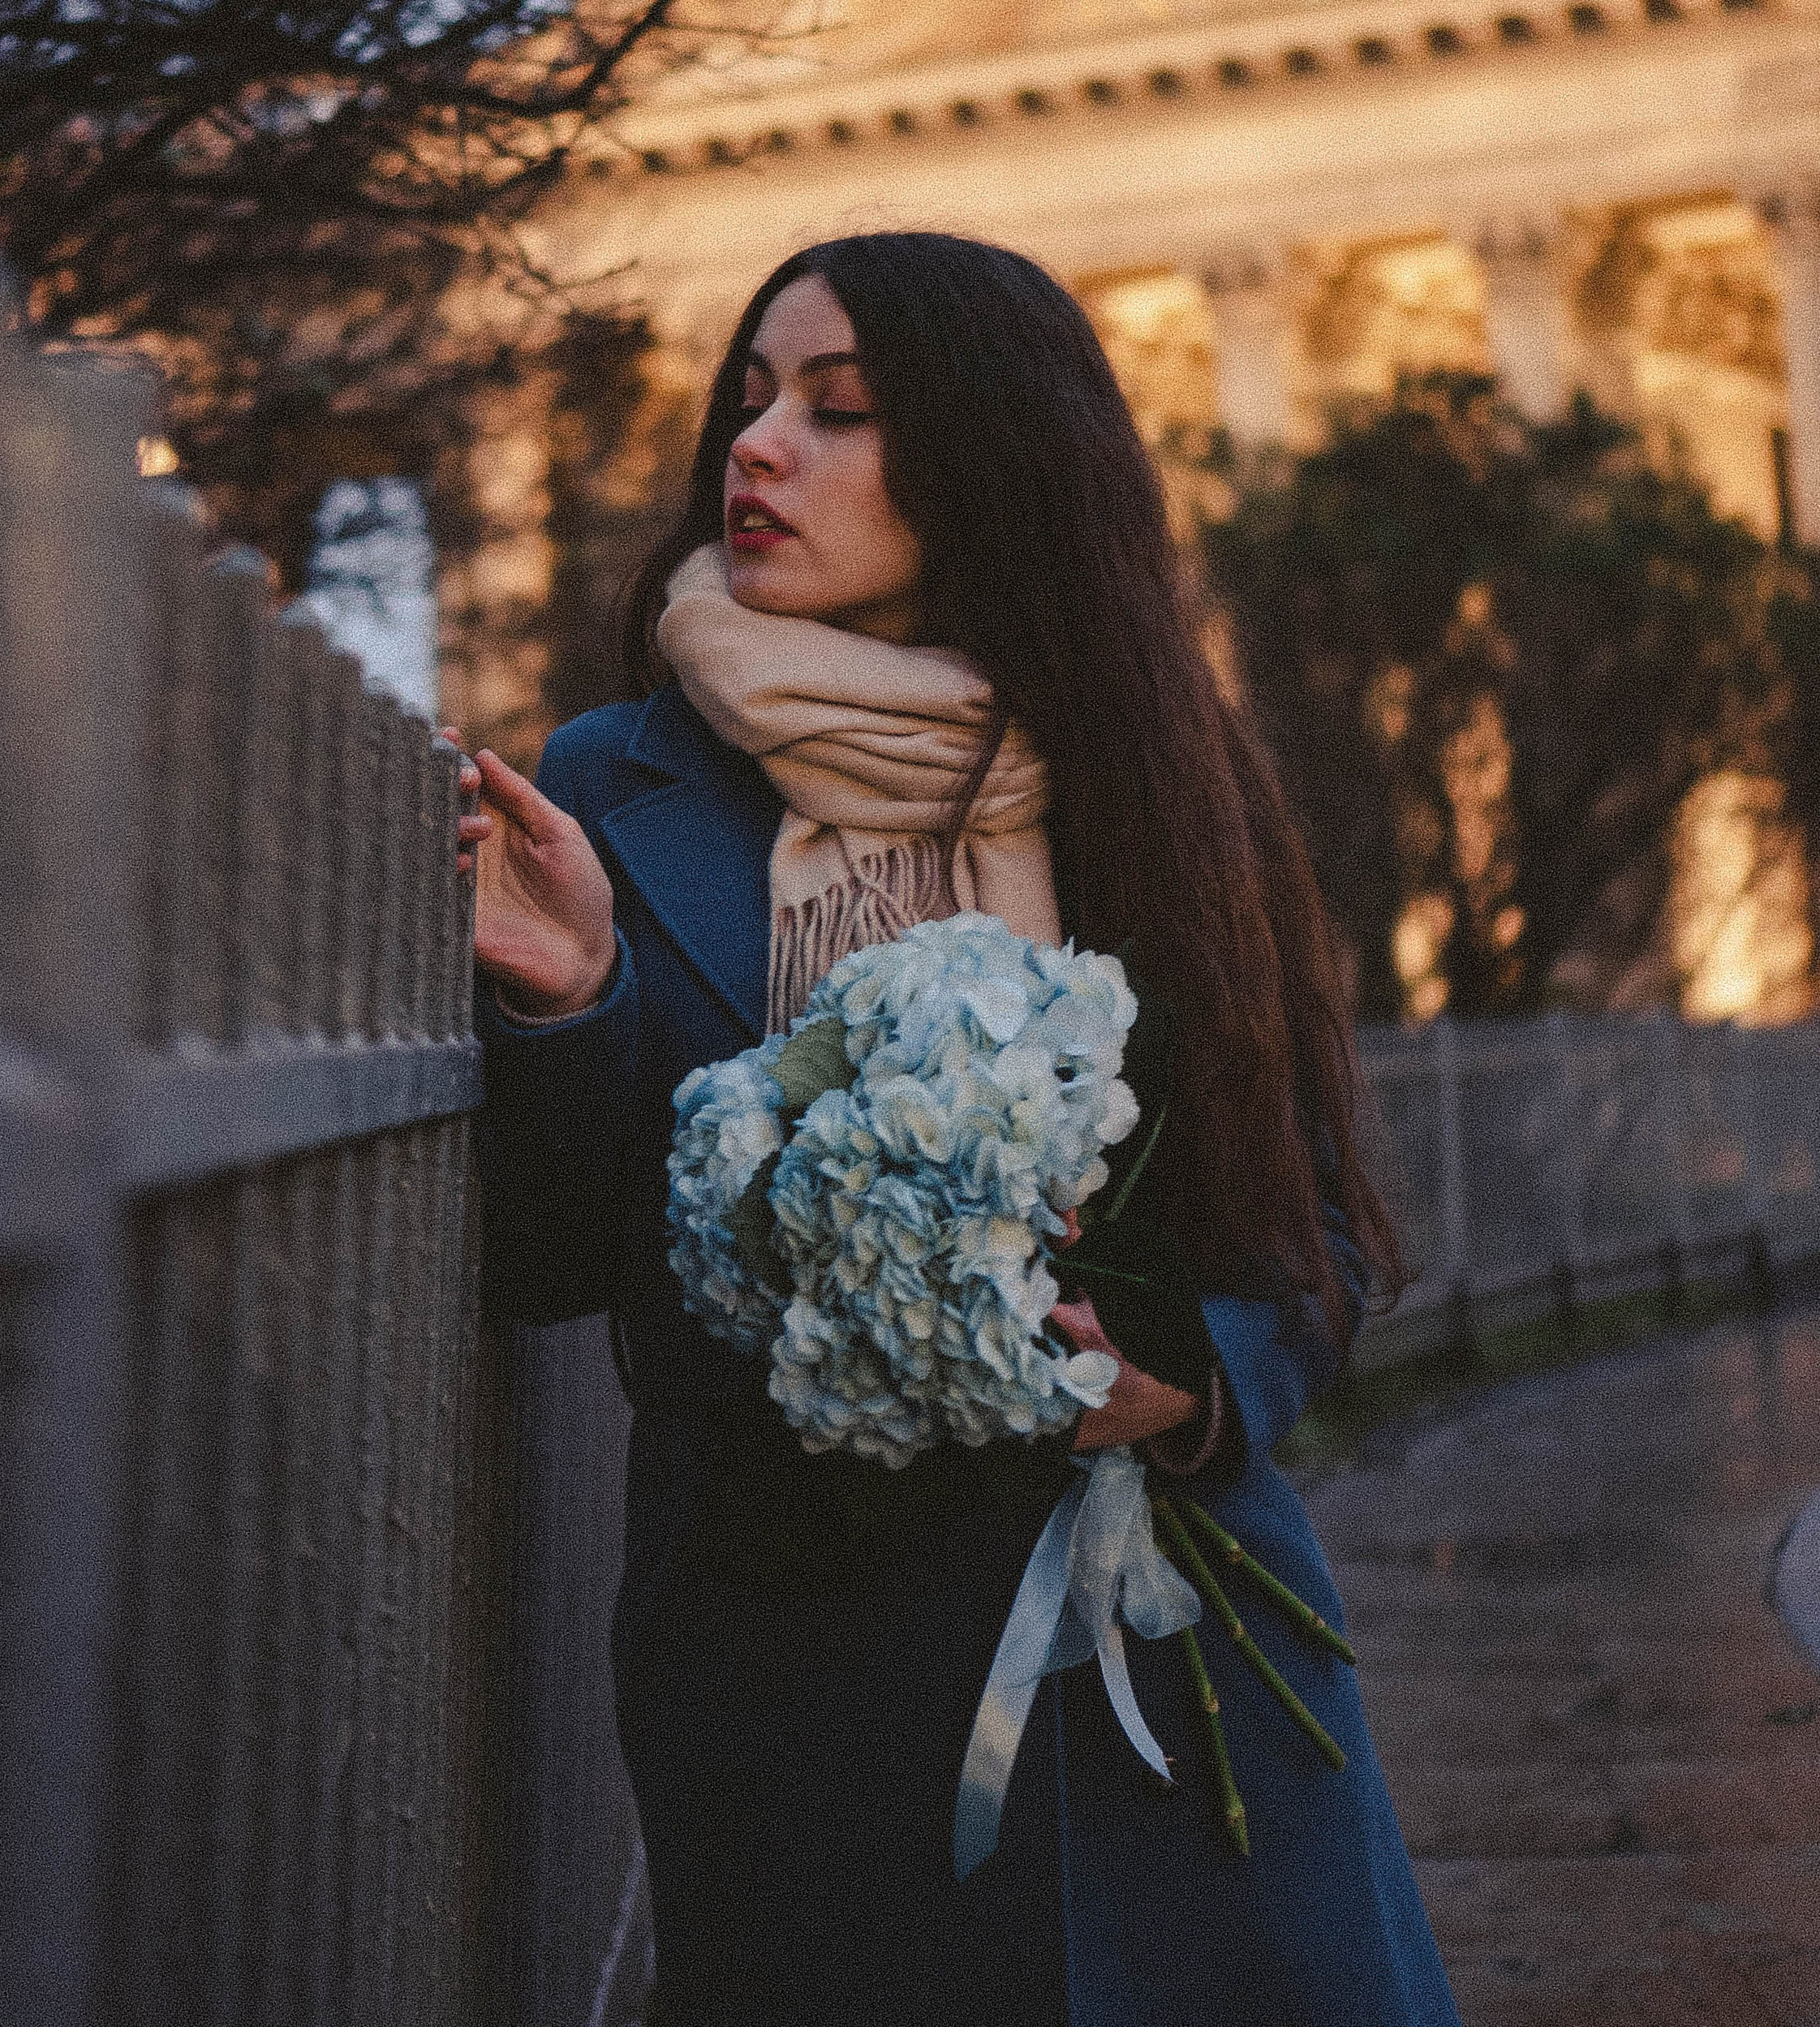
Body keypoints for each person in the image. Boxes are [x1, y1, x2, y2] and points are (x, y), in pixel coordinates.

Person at [458, 232, 1461, 2027]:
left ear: (995, 456)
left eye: (838, 410)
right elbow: (545, 1261)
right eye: (750, 401)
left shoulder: (1154, 777)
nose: (759, 446)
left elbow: (1303, 1230)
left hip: (1156, 1646)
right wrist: (569, 1003)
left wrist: (1182, 1381)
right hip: (789, 1663)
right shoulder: (612, 785)